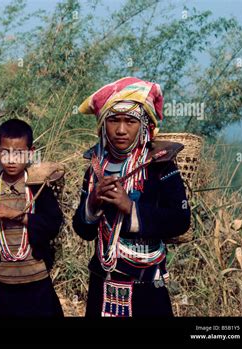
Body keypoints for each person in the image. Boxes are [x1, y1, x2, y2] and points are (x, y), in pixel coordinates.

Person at [72, 77, 191, 317]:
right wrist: (92, 203)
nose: (121, 130)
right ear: (102, 124)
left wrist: (131, 208)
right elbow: (83, 231)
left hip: (147, 284)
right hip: (102, 281)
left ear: (145, 125)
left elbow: (180, 220)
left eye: (130, 121)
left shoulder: (160, 166)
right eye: (113, 120)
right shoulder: (95, 169)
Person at [0, 119, 64, 317]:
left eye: (19, 153)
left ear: (31, 151)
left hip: (36, 280)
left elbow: (53, 225)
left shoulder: (39, 187)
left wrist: (17, 215)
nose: (11, 159)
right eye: (5, 152)